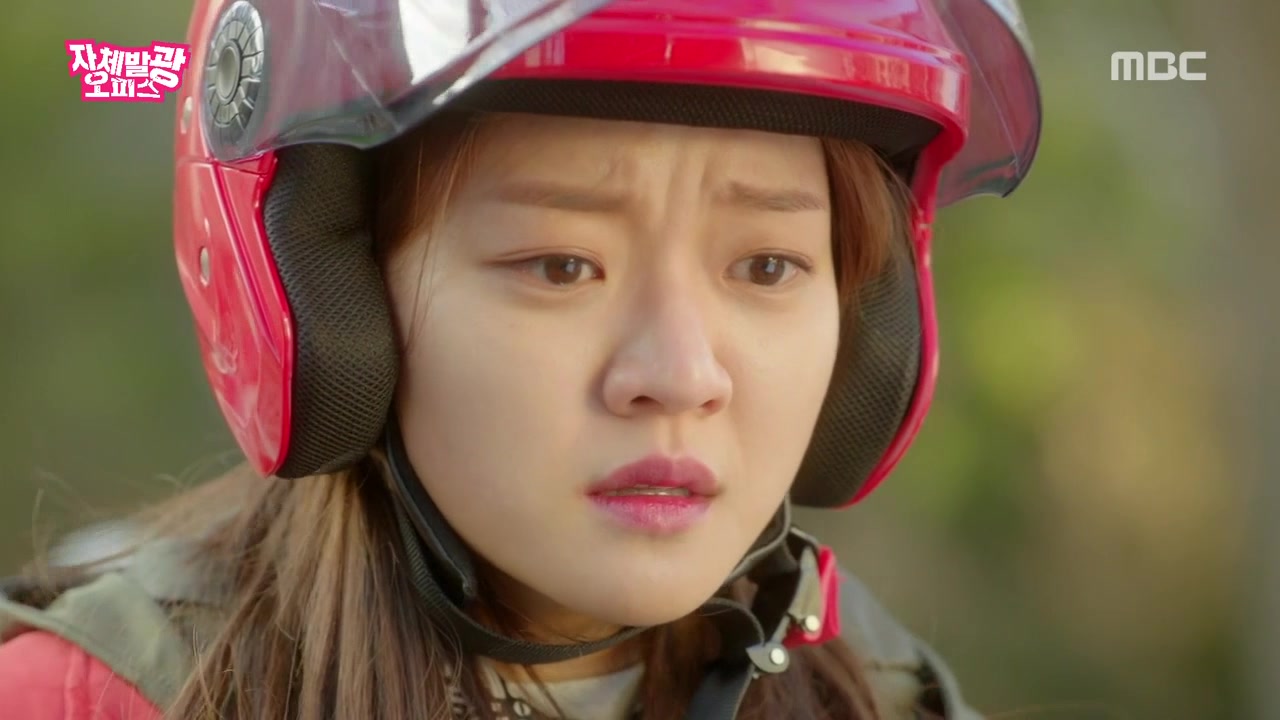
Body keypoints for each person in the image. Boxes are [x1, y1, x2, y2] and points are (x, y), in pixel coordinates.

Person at [0, 0, 1042, 718]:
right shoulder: (89, 700)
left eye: (767, 266)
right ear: (331, 297)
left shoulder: (881, 697)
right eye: (561, 266)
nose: (680, 377)